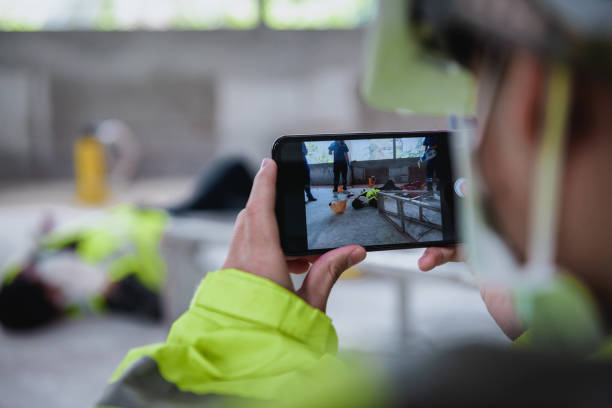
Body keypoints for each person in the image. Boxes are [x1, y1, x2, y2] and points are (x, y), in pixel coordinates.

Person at [97, 1, 612, 406]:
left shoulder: (453, 388)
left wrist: (245, 326)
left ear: (533, 101)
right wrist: (554, 331)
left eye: (478, 97)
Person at [0, 206, 166, 329]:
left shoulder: (39, 255)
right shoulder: (87, 294)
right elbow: (162, 308)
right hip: (172, 238)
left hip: (140, 214)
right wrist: (108, 286)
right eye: (53, 293)